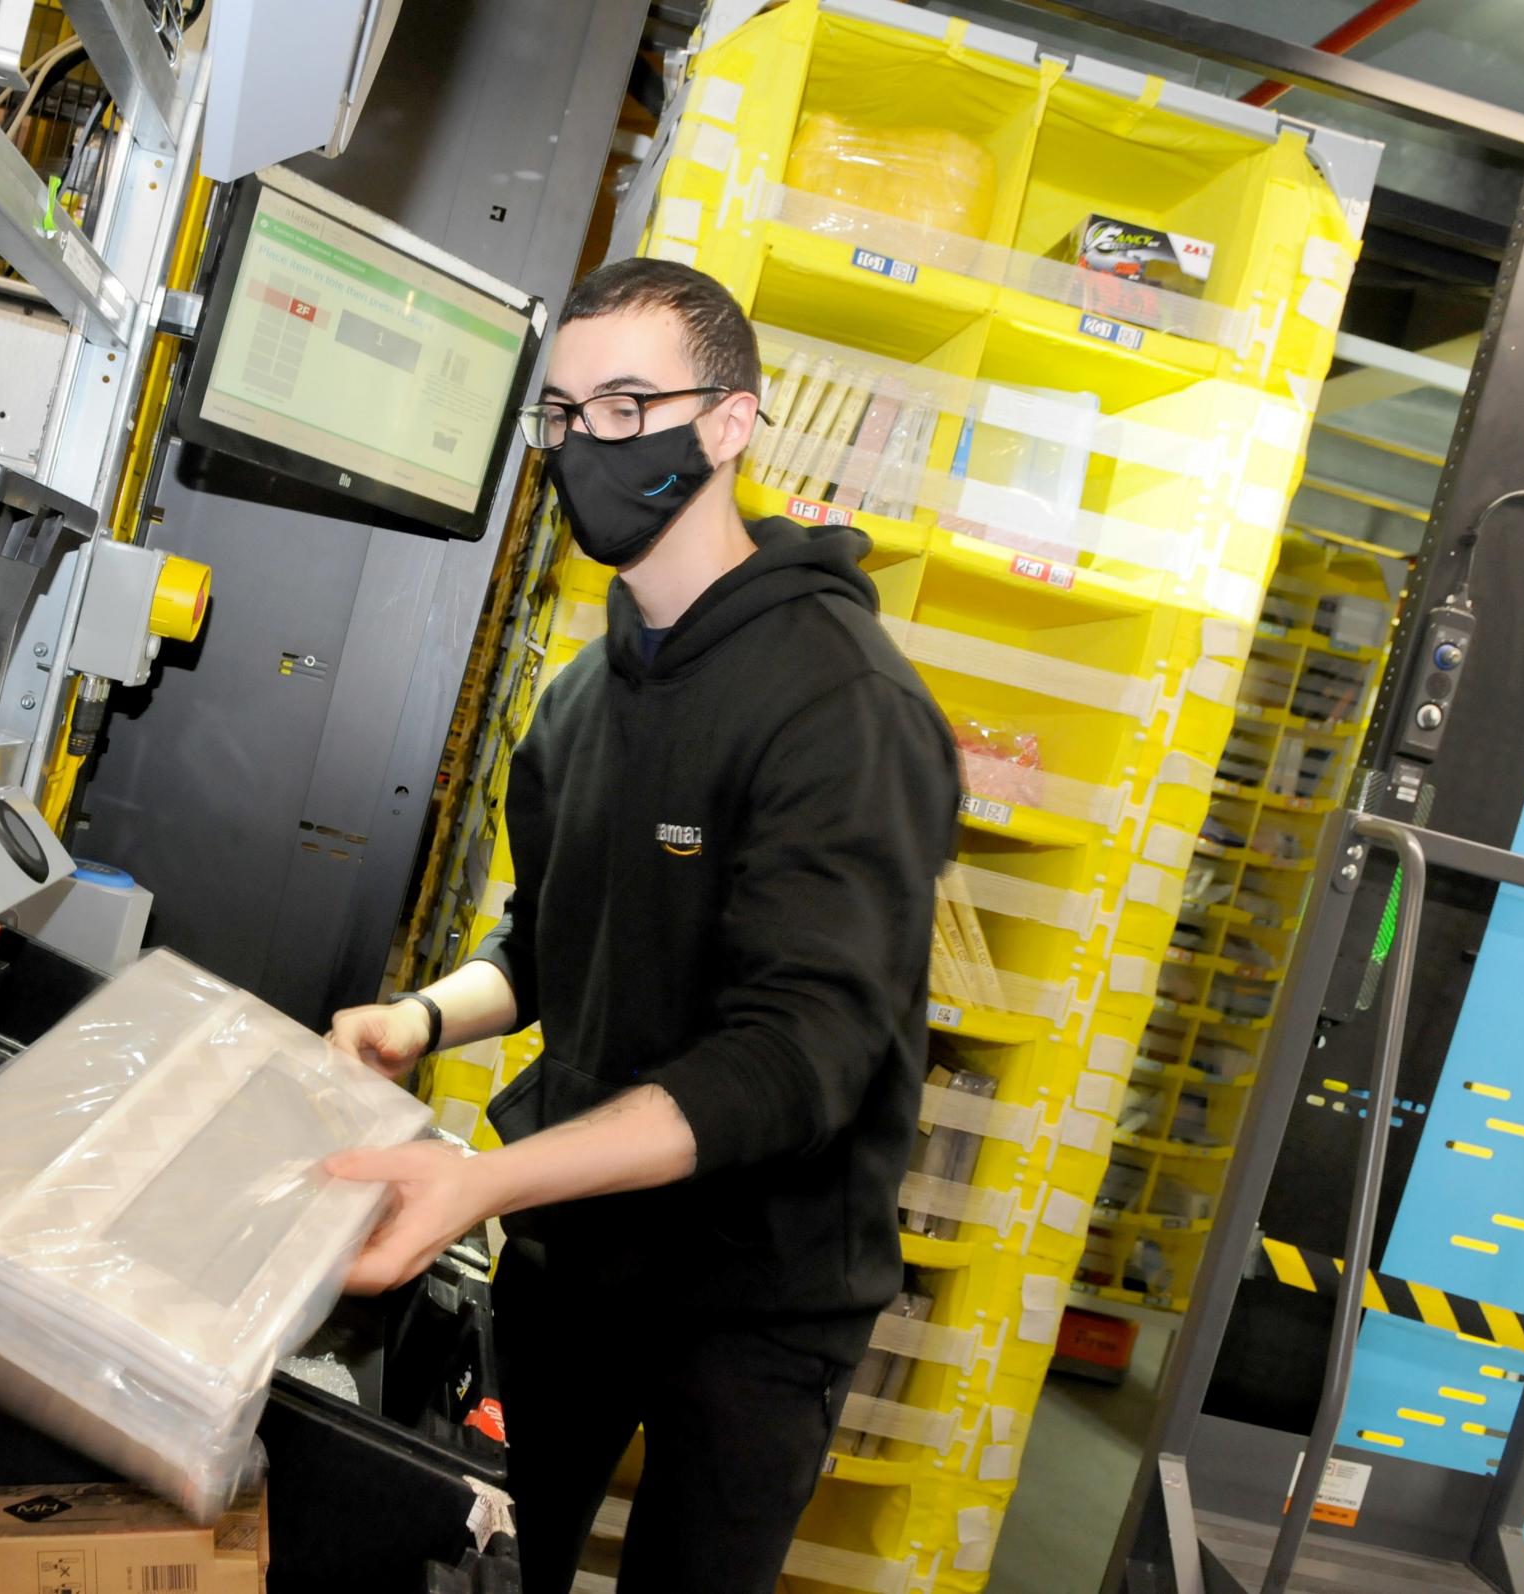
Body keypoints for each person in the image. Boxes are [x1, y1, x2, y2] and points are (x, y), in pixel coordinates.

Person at [325, 258, 959, 1594]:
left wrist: (487, 1180)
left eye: (629, 408)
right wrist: (420, 1018)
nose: (588, 447)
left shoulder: (842, 706)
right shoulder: (576, 703)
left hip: (760, 1297)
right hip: (580, 1251)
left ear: (729, 422)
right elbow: (552, 952)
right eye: (563, 417)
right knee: (485, 1561)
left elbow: (795, 1059)